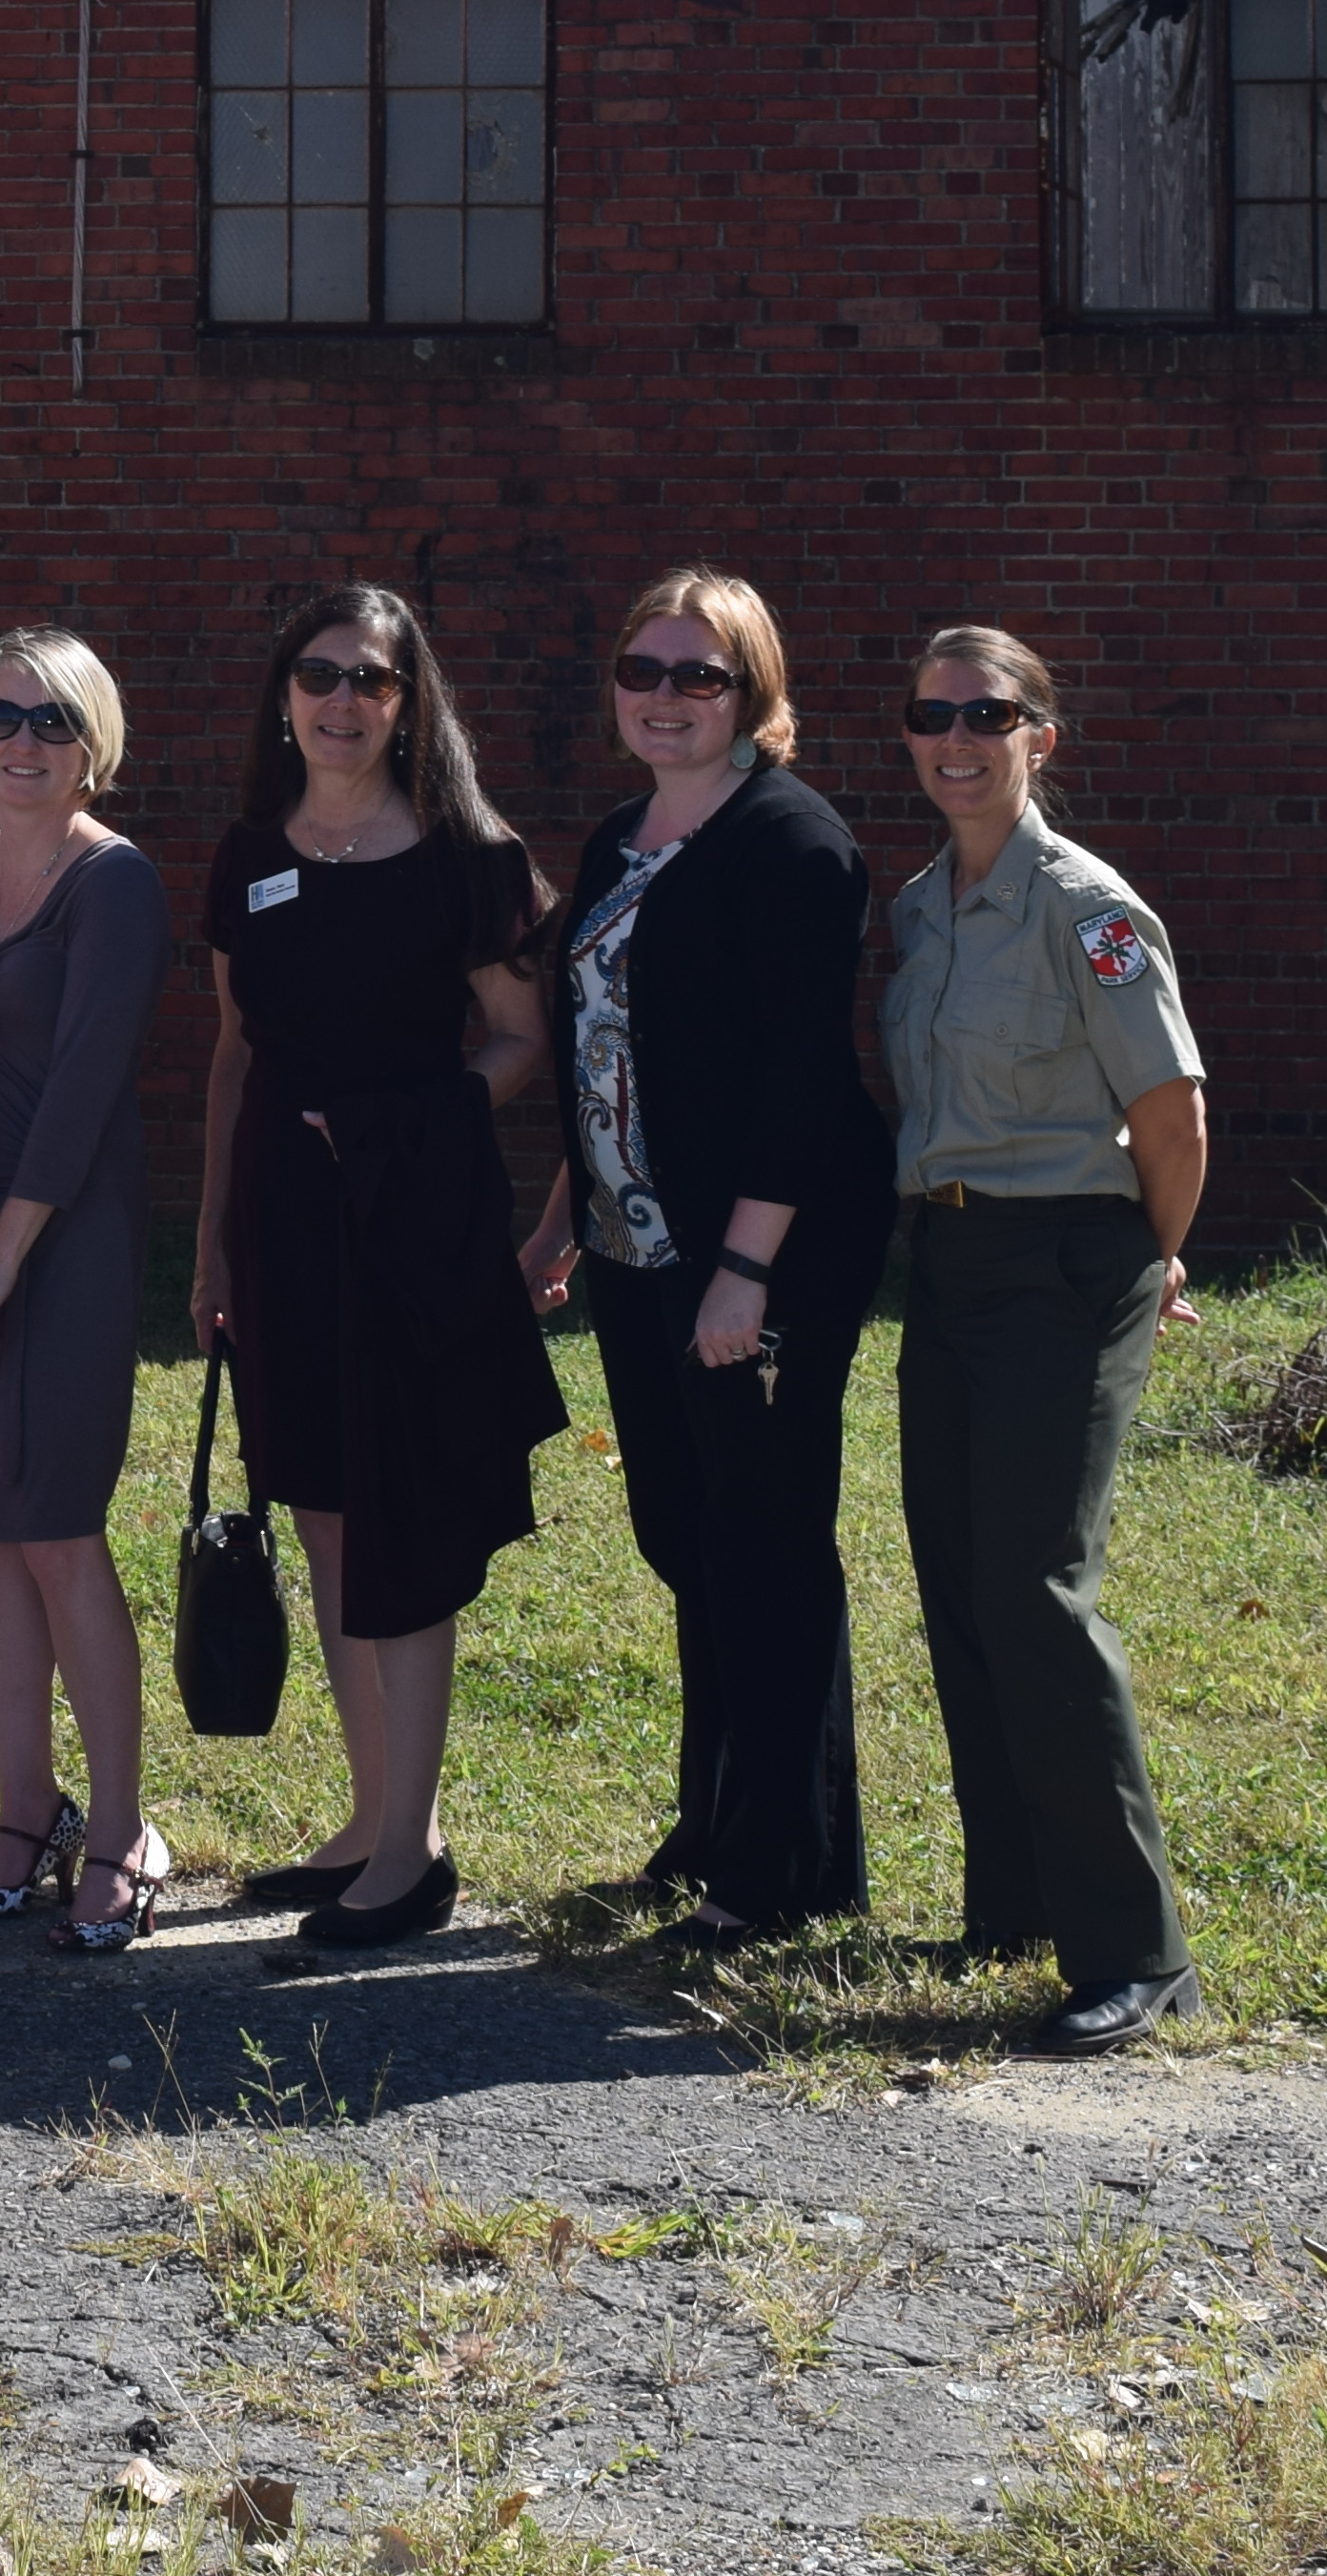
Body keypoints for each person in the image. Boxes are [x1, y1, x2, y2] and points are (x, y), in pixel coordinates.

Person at [522, 569, 896, 1950]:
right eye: (645, 670)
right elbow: (610, 1055)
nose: (666, 698)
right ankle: (717, 1821)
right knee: (688, 1537)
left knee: (766, 1544)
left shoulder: (793, 843)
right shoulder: (626, 836)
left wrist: (743, 1274)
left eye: (702, 675)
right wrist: (565, 1219)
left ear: (755, 693)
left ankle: (783, 1870)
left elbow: (803, 1081)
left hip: (758, 1256)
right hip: (636, 1246)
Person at [188, 583, 561, 1952]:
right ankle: (370, 1820)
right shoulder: (246, 853)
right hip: (287, 1225)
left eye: (374, 679)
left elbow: (520, 1040)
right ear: (284, 695)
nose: (343, 701)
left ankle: (411, 1854)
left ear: (411, 703)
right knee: (328, 1516)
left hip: (415, 1224)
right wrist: (218, 1231)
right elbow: (237, 1050)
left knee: (400, 1519)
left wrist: (408, 1122)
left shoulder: (471, 855)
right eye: (320, 674)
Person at [881, 624, 1214, 2057]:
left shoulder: (1088, 907)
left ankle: (1135, 1950)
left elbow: (1174, 1116)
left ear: (1040, 739)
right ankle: (1012, 1899)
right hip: (949, 1258)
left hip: (1069, 1262)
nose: (956, 737)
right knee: (958, 1574)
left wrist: (1152, 1257)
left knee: (1034, 1587)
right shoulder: (922, 908)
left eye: (987, 713)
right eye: (931, 713)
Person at [0, 626, 176, 1952]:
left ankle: (121, 1825)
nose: (24, 741)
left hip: (57, 1246)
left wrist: (1, 1261)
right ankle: (26, 1813)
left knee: (59, 1529)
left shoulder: (112, 883)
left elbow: (79, 1092)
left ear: (94, 741)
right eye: (2, 715)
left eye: (54, 721)